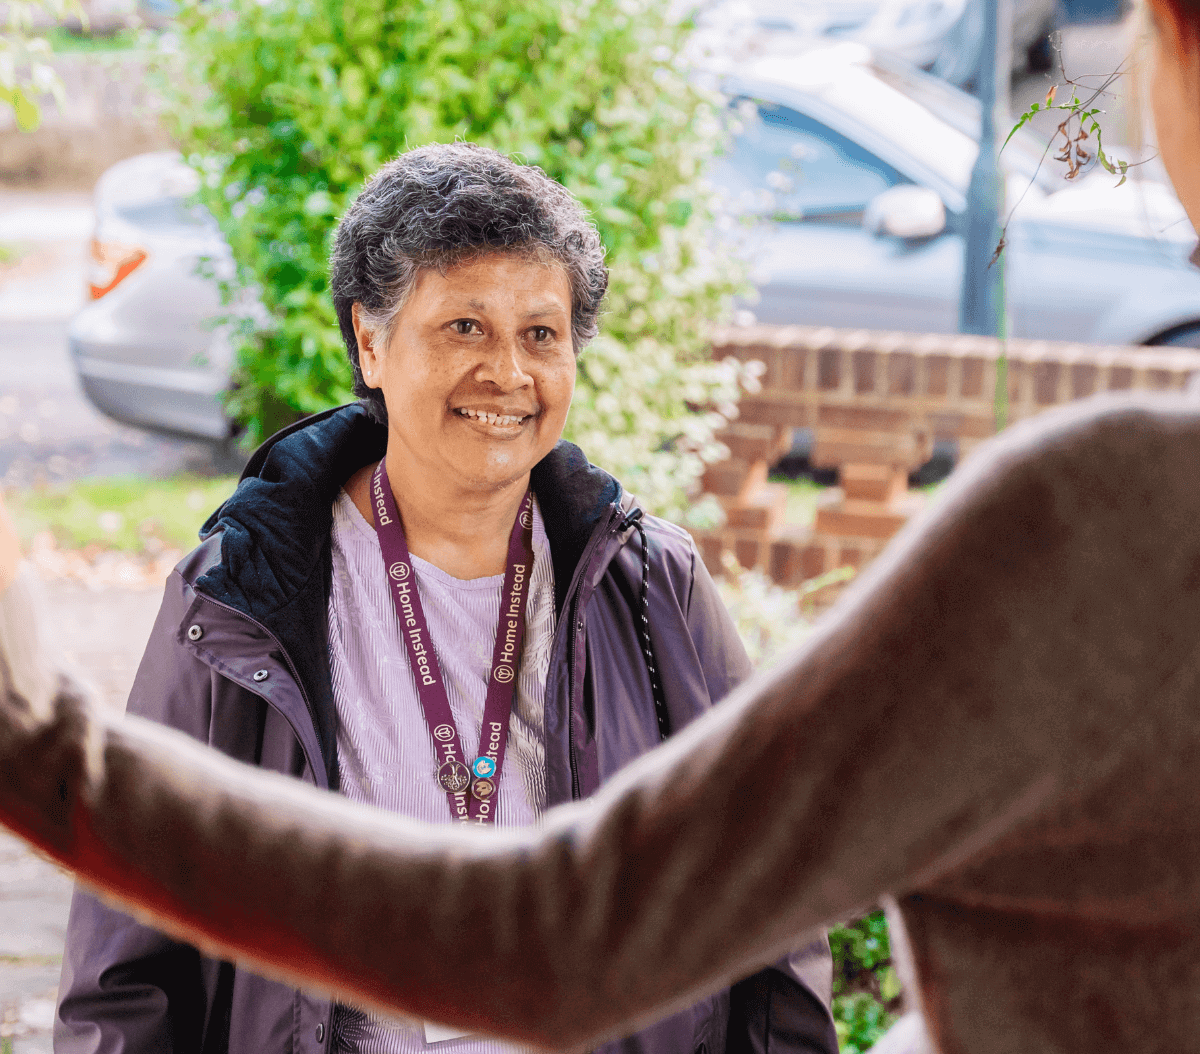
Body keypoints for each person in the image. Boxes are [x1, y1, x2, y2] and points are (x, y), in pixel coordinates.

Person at [51, 142, 836, 1054]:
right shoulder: (242, 595)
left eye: (541, 334)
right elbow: (127, 950)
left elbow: (772, 893)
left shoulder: (650, 584)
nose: (508, 372)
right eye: (463, 326)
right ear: (370, 343)